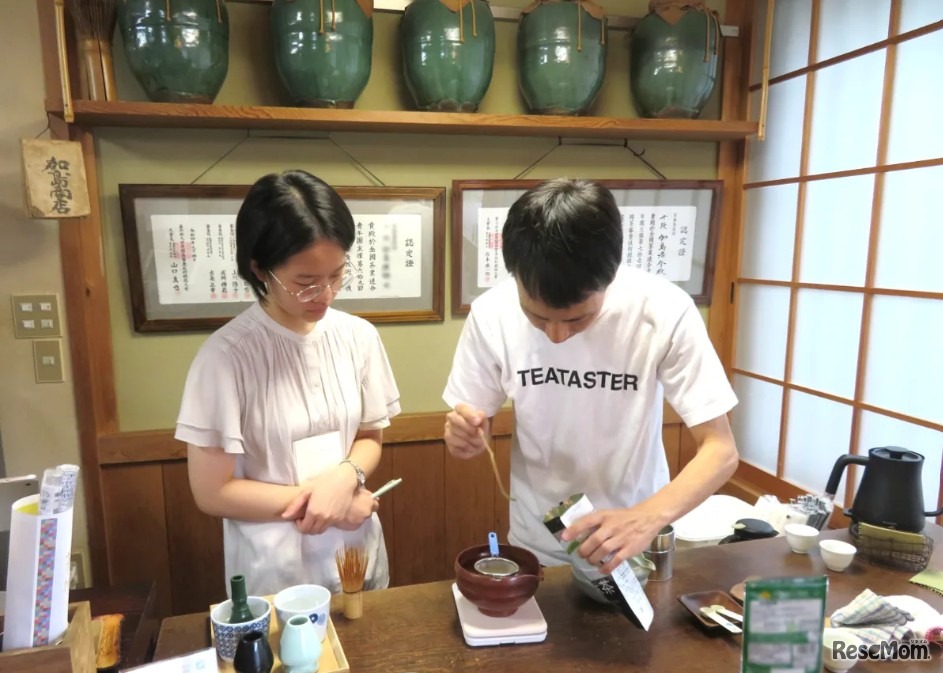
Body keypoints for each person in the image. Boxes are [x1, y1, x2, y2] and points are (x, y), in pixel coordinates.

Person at [443, 178, 739, 575]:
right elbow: (472, 421)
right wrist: (463, 437)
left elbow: (720, 450)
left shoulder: (664, 310)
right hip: (541, 544)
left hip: (636, 545)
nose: (556, 335)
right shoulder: (491, 313)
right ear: (514, 274)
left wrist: (646, 517)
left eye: (576, 318)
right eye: (537, 317)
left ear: (611, 275)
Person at [177, 170, 401, 596]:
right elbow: (213, 492)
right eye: (305, 283)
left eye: (336, 275)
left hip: (353, 549)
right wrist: (328, 503)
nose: (326, 294)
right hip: (274, 565)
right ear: (259, 268)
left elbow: (370, 436)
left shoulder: (358, 336)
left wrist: (344, 477)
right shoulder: (225, 358)